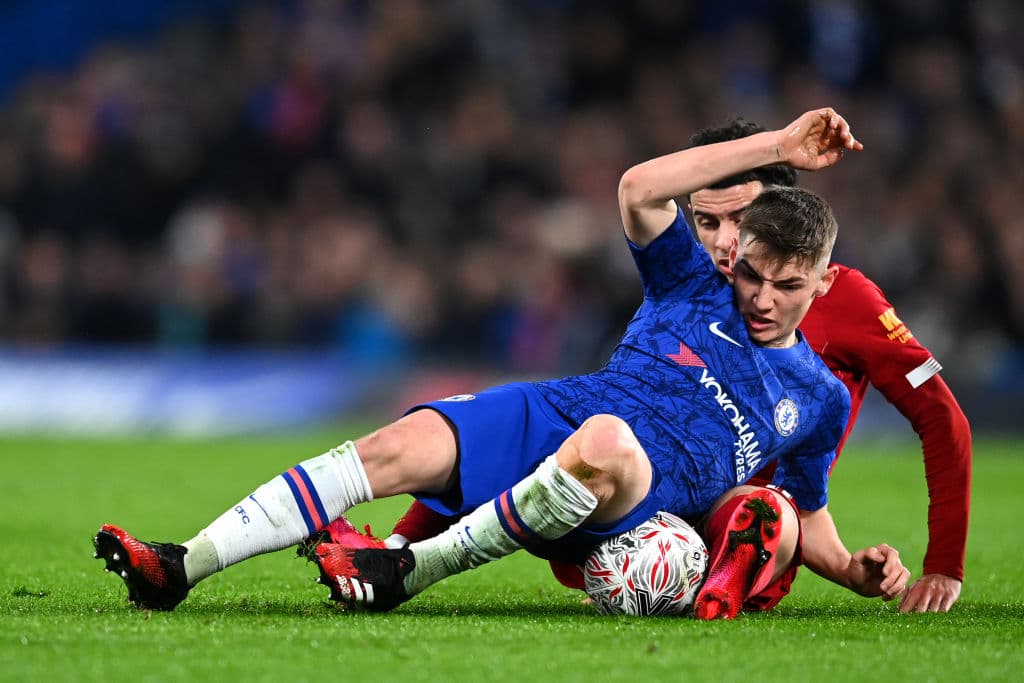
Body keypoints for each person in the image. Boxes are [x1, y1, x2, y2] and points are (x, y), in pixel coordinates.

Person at [94, 108, 907, 615]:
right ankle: (179, 565)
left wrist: (852, 568)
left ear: (821, 284)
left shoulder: (818, 397)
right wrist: (780, 143)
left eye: (784, 284)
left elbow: (808, 509)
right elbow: (637, 188)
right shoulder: (695, 282)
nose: (759, 292)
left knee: (608, 442)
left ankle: (407, 570)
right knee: (393, 447)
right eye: (752, 269)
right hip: (560, 412)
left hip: (633, 495)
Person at [371, 117, 971, 616]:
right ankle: (395, 557)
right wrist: (400, 539)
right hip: (636, 506)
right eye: (707, 222)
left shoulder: (847, 298)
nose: (726, 242)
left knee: (763, 508)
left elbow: (939, 415)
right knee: (530, 432)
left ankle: (716, 581)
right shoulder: (690, 281)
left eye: (742, 219)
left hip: (745, 529)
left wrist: (943, 564)